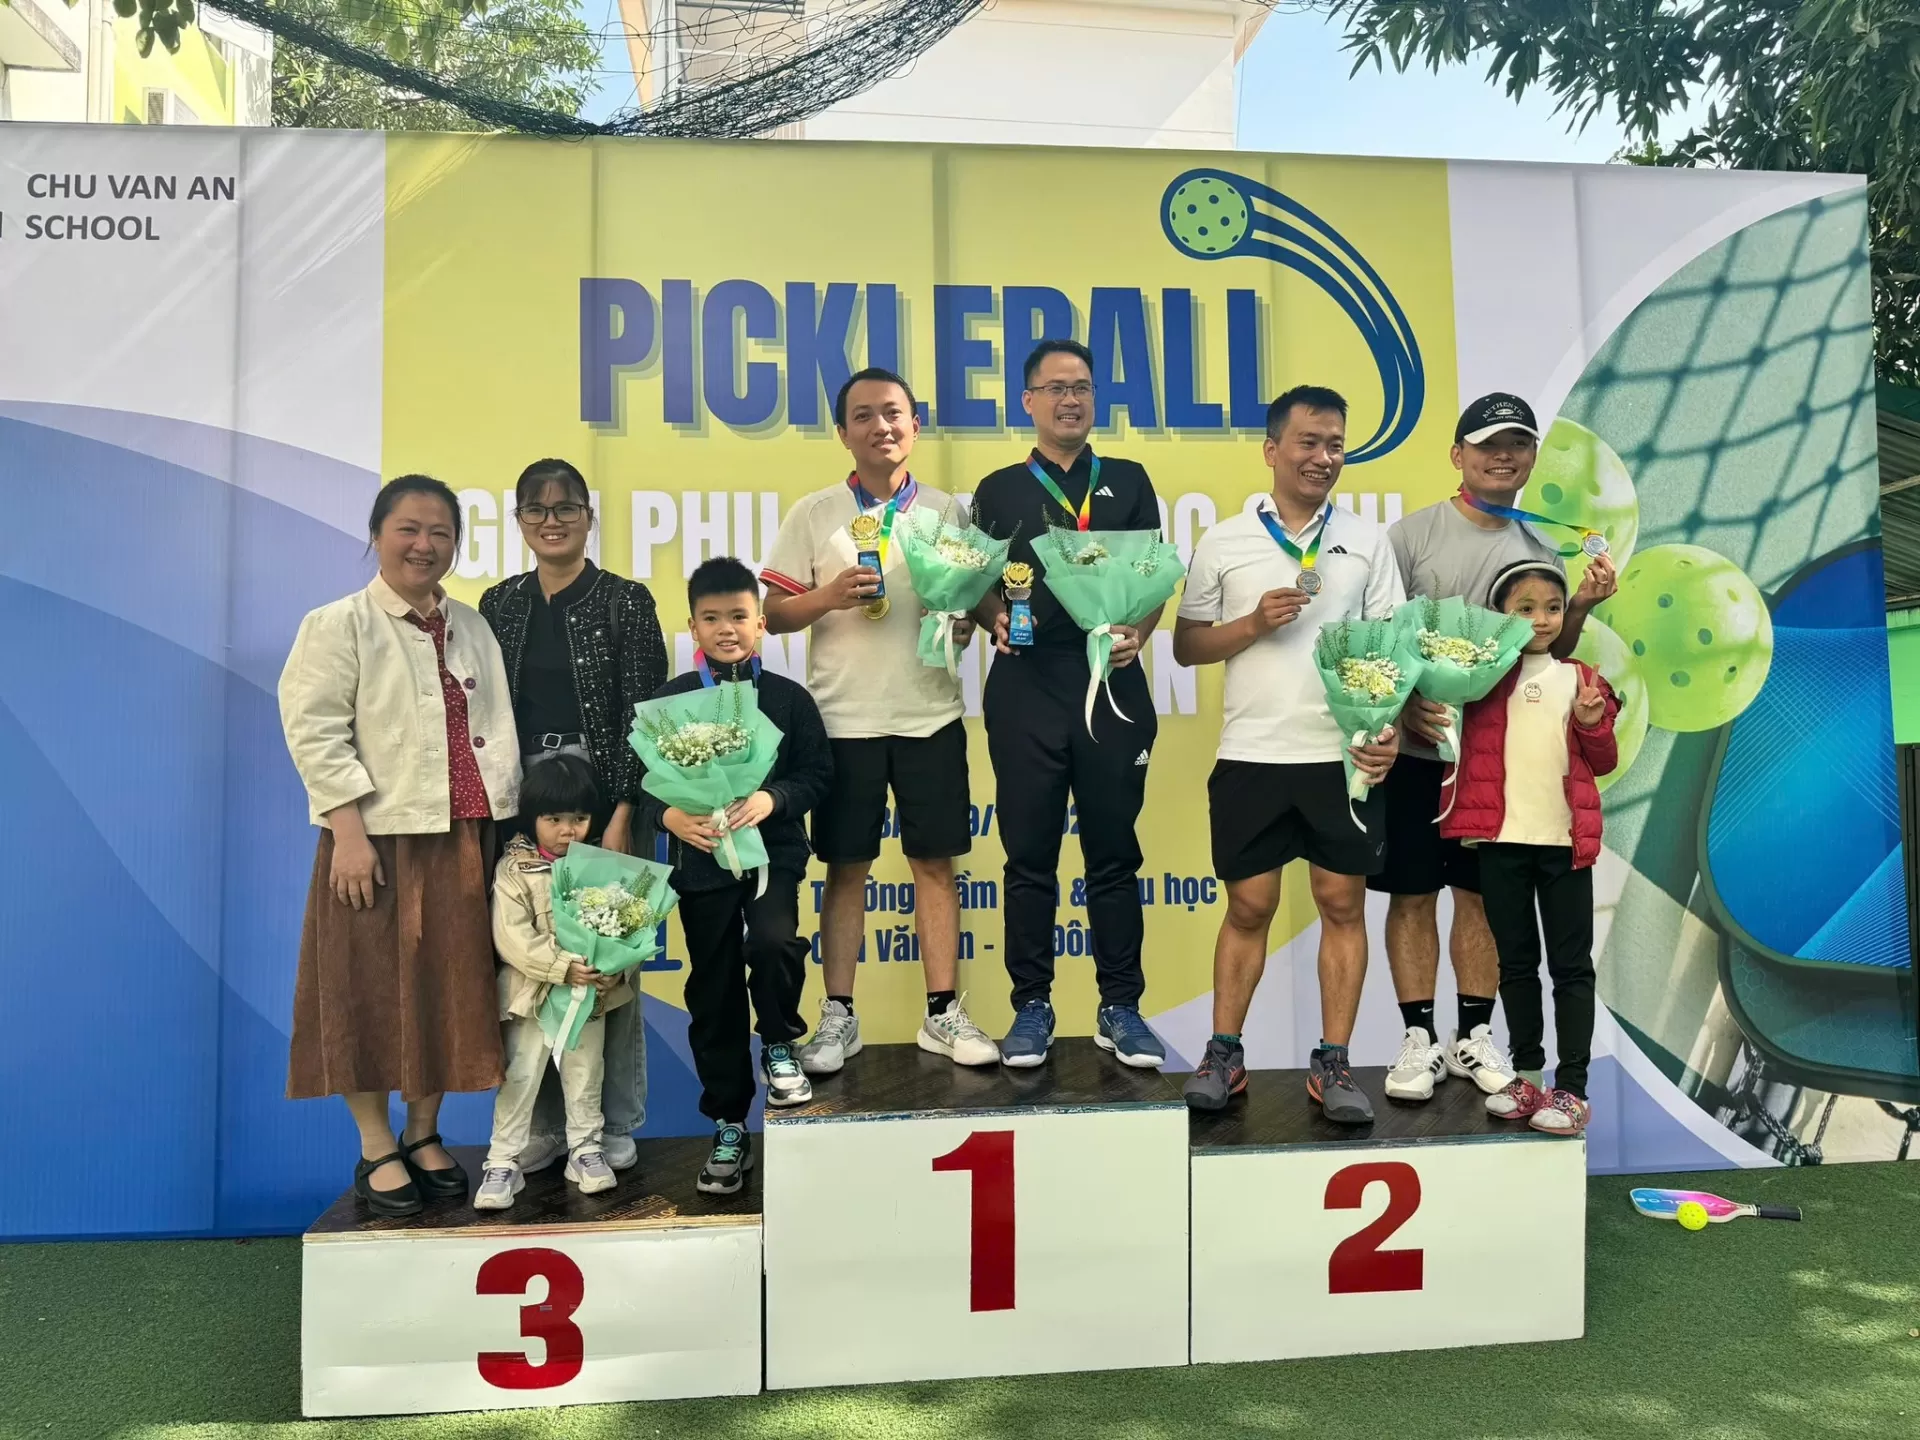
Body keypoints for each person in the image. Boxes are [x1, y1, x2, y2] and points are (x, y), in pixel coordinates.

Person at [279, 474, 521, 1217]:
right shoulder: (338, 624)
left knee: (448, 986)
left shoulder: (471, 625)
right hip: (373, 841)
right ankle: (375, 1142)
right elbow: (315, 730)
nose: (424, 544)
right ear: (377, 535)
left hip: (462, 835)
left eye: (441, 532)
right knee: (362, 988)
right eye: (408, 529)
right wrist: (347, 833)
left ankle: (423, 1132)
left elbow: (495, 728)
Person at [1372, 393, 1618, 1104]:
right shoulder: (1410, 537)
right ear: (1458, 455)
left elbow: (1550, 656)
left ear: (1532, 456)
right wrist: (1407, 704)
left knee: (1479, 899)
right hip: (1419, 756)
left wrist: (1579, 607)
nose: (1502, 456)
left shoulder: (1542, 550)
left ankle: (1475, 1036)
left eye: (1516, 443)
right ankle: (1418, 1038)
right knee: (1413, 895)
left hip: (1497, 770)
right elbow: (1381, 638)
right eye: (1486, 444)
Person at [1173, 387, 1403, 1122]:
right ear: (1272, 450)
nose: (1323, 457)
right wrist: (1250, 624)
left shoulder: (1367, 541)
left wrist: (1388, 732)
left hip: (1342, 757)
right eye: (1308, 442)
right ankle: (1224, 1053)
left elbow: (1392, 652)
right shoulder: (1225, 541)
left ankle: (1334, 1062)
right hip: (1252, 753)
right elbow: (1186, 645)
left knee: (1341, 903)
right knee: (1249, 905)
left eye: (1335, 444)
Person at [762, 368, 998, 1073]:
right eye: (863, 415)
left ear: (915, 426)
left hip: (931, 716)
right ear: (843, 432)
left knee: (935, 864)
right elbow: (773, 614)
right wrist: (829, 595)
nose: (880, 426)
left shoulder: (950, 513)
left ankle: (942, 1012)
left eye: (893, 413)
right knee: (846, 869)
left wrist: (964, 627)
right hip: (841, 721)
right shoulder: (815, 512)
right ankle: (838, 1015)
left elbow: (970, 605)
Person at [968, 339, 1167, 1070]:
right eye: (1054, 388)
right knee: (1029, 856)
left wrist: (1137, 634)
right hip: (1028, 683)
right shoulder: (999, 489)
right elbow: (973, 578)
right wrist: (994, 616)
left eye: (1081, 387)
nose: (1070, 400)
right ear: (1028, 402)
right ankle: (1032, 1005)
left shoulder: (1129, 480)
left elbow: (1153, 577)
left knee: (1114, 853)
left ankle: (1121, 1005)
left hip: (1110, 682)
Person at [480, 459, 668, 1177]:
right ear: (520, 520)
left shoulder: (624, 600)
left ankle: (611, 1122)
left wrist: (623, 811)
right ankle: (544, 1127)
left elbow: (644, 714)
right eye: (536, 508)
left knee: (605, 966)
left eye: (566, 508)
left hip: (605, 803)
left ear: (589, 517)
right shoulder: (500, 603)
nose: (551, 520)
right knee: (530, 966)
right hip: (523, 807)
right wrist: (506, 818)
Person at [636, 558, 833, 1195]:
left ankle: (778, 1042)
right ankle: (727, 1123)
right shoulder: (671, 701)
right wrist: (670, 816)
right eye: (712, 618)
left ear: (761, 623)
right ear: (693, 625)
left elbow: (818, 774)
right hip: (701, 865)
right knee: (714, 988)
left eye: (740, 616)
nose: (727, 629)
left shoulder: (789, 699)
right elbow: (642, 783)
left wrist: (773, 799)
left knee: (773, 942)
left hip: (773, 855)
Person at [1441, 561, 1618, 1136]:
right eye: (1525, 608)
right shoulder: (1477, 681)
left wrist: (1591, 722)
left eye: (1553, 608)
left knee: (1570, 968)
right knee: (1516, 966)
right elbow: (1442, 737)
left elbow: (1604, 761)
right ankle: (1526, 1078)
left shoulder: (1582, 678)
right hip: (1500, 845)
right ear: (1500, 615)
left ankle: (1572, 1089)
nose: (1541, 620)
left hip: (1564, 846)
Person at [474, 755, 633, 1210]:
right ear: (532, 818)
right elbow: (512, 937)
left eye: (579, 818)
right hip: (529, 997)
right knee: (520, 1075)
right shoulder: (513, 869)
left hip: (590, 997)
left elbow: (629, 929)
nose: (568, 831)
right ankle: (503, 1161)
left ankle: (585, 1150)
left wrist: (615, 969)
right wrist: (562, 966)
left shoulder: (603, 867)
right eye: (554, 819)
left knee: (586, 1073)